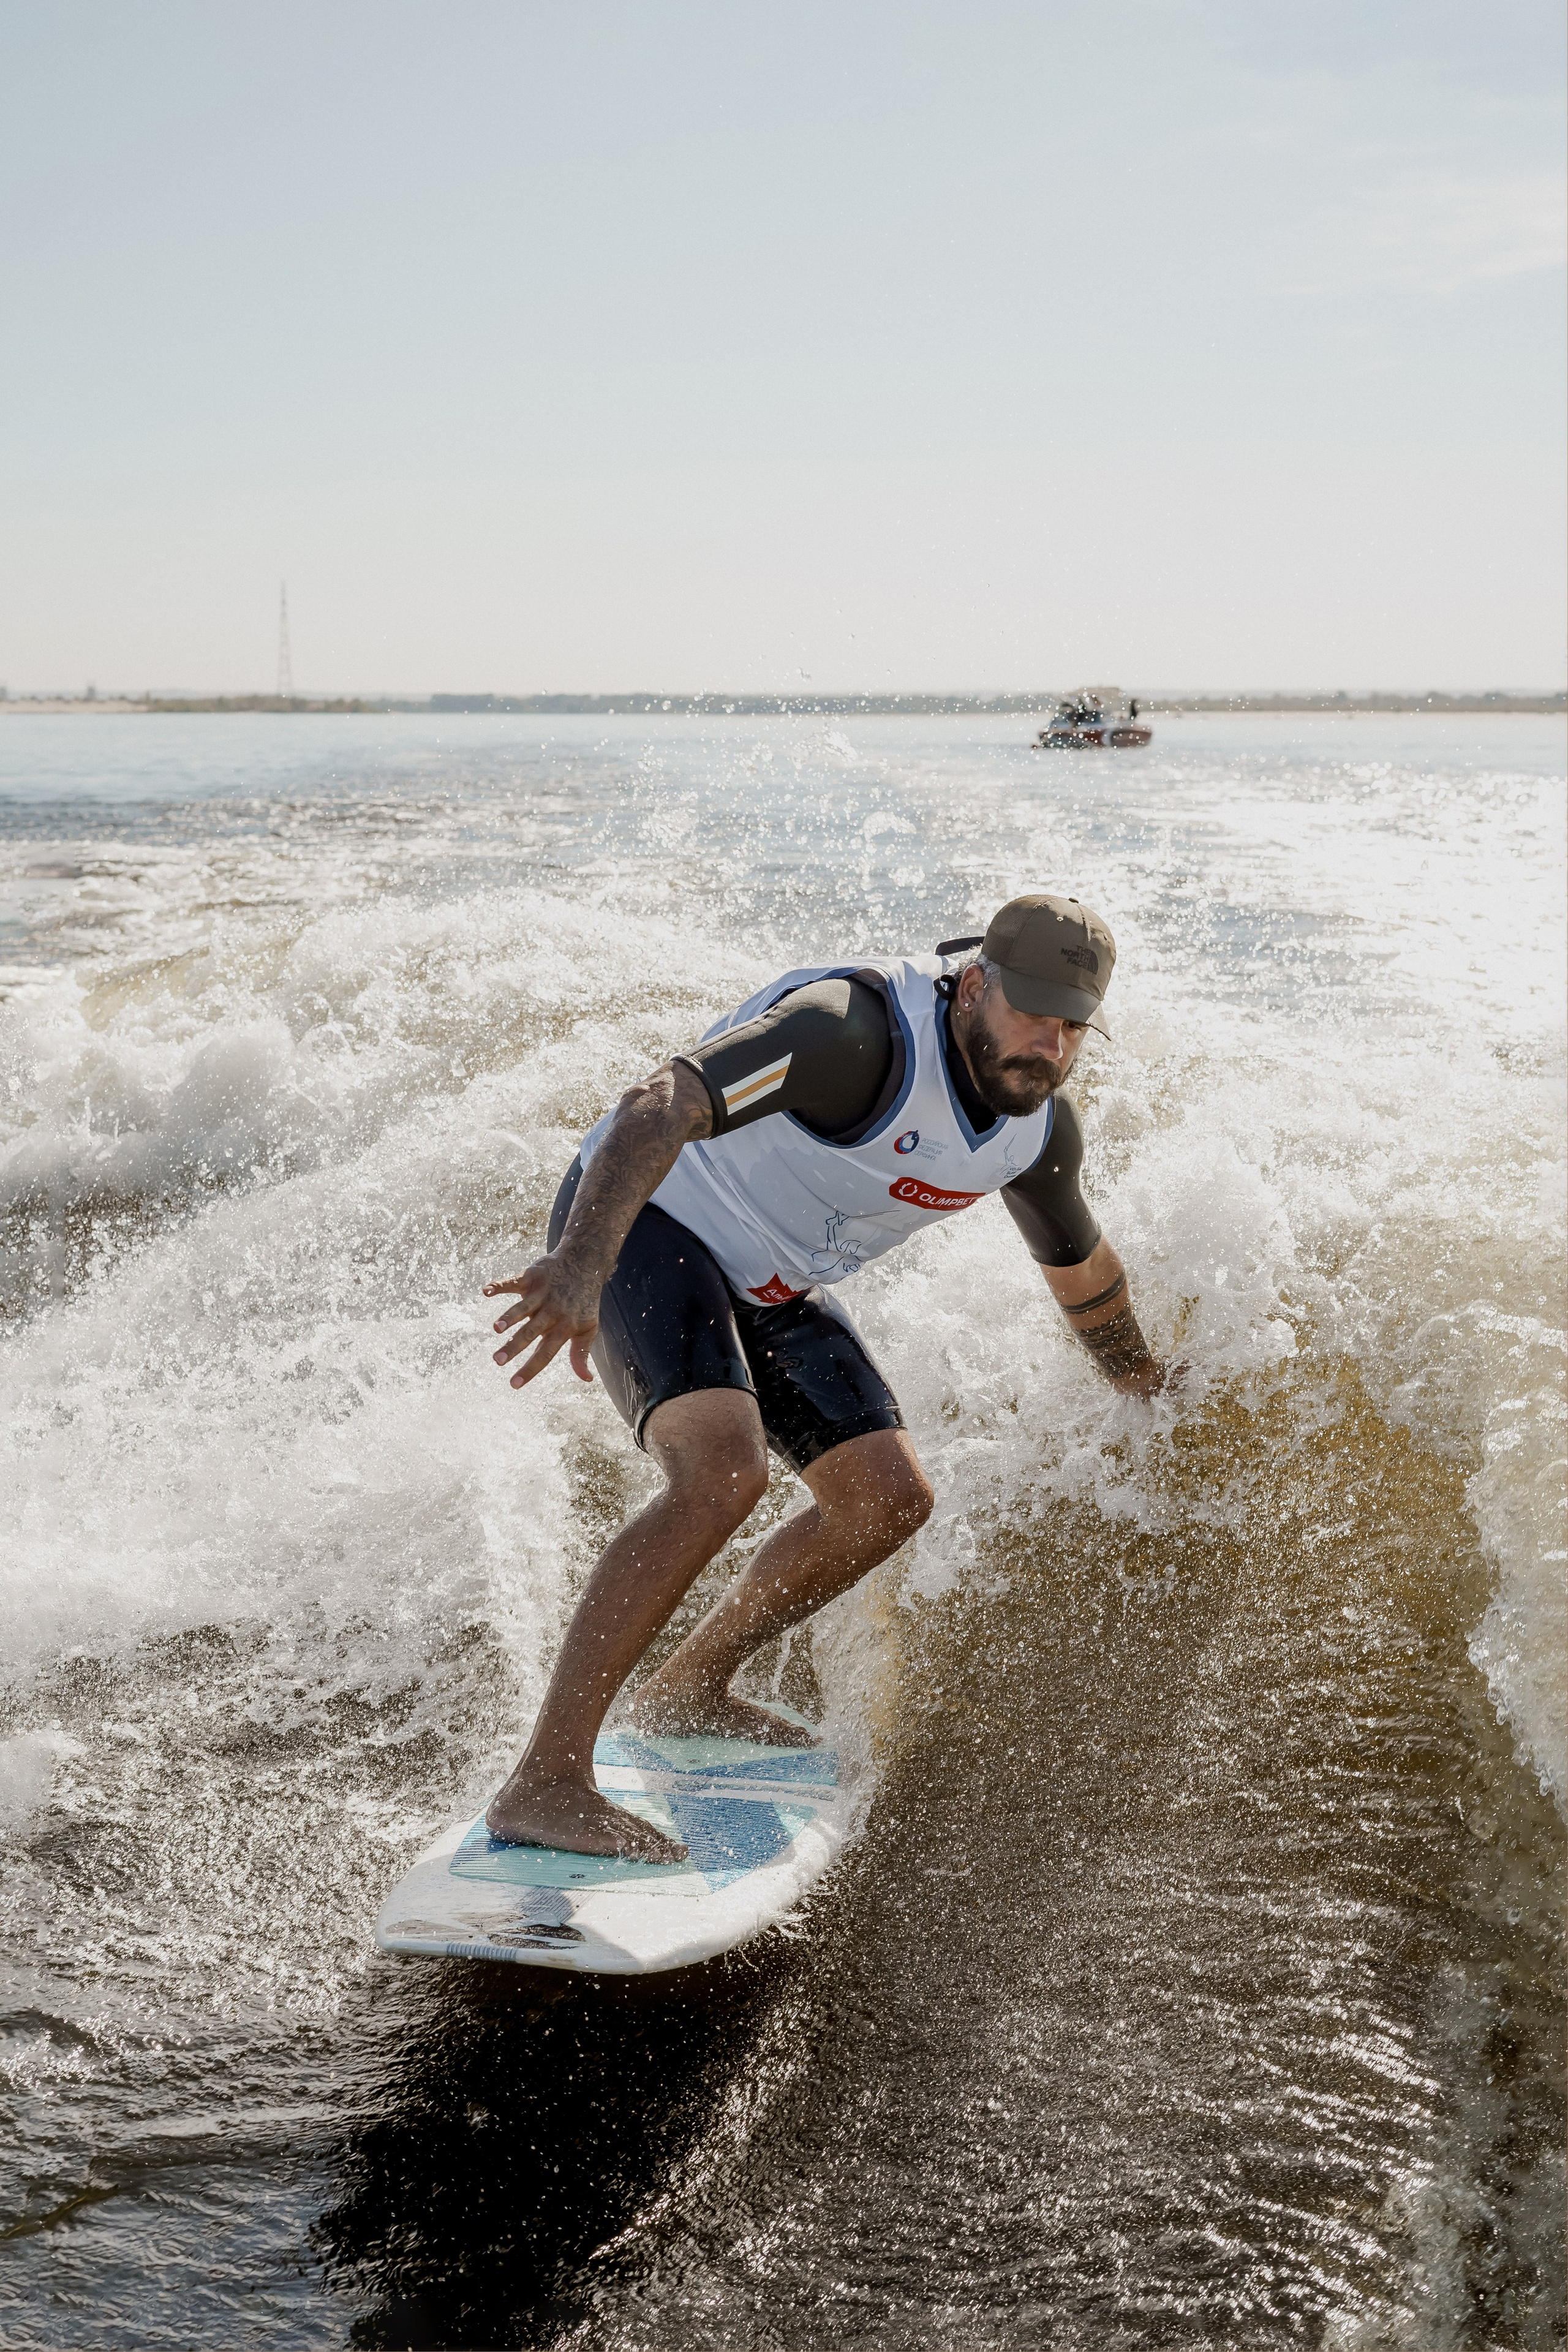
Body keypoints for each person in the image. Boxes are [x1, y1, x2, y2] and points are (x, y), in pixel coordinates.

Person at [483, 893, 1164, 1862]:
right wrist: (582, 1263)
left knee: (886, 1499)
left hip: (771, 1278)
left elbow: (1082, 1271)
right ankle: (544, 1782)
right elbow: (661, 1102)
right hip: (651, 1225)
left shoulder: (1035, 1133)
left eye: (1073, 1028)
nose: (1048, 1046)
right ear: (975, 985)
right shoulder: (852, 1035)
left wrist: (1142, 1381)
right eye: (1031, 1013)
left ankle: (687, 1689)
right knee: (723, 1472)